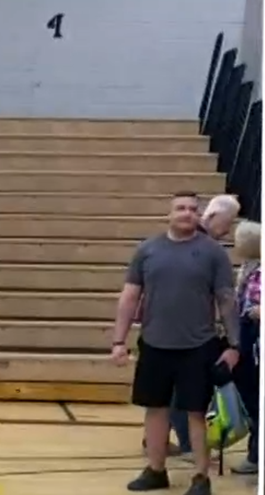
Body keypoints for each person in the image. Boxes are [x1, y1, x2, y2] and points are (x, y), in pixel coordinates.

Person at [111, 192, 240, 495]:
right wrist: (119, 340)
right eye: (180, 208)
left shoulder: (213, 253)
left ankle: (201, 477)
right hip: (154, 344)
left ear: (200, 215)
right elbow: (130, 296)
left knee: (196, 412)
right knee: (155, 409)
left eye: (193, 209)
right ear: (169, 213)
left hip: (198, 346)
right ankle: (156, 470)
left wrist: (234, 345)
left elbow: (226, 299)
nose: (186, 213)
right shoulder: (147, 250)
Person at [144, 194, 241, 458]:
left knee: (173, 397)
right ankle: (182, 445)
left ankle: (175, 447)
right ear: (212, 216)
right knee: (181, 398)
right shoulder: (197, 247)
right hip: (177, 336)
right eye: (228, 222)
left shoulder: (211, 249)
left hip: (187, 334)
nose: (228, 229)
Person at [231, 220, 261, 476]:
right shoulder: (247, 268)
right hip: (244, 334)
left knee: (255, 396)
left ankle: (256, 455)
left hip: (255, 336)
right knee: (248, 396)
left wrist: (255, 312)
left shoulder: (259, 271)